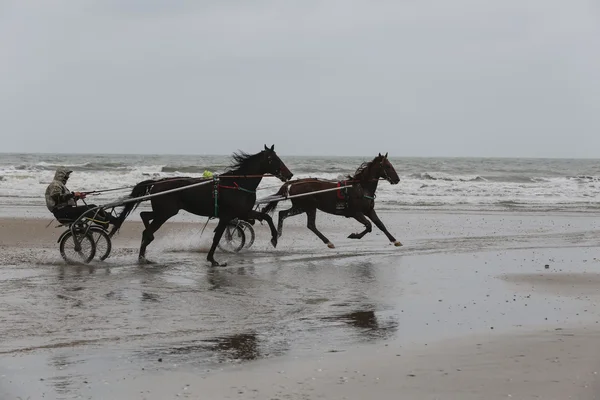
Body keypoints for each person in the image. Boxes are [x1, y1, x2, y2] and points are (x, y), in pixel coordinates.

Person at [45, 167, 119, 227]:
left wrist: (78, 197)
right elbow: (58, 199)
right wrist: (73, 194)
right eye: (66, 176)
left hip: (65, 211)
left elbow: (66, 201)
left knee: (93, 206)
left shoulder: (60, 185)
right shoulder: (55, 185)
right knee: (86, 209)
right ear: (61, 175)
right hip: (62, 213)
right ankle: (104, 221)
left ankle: (111, 219)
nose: (67, 178)